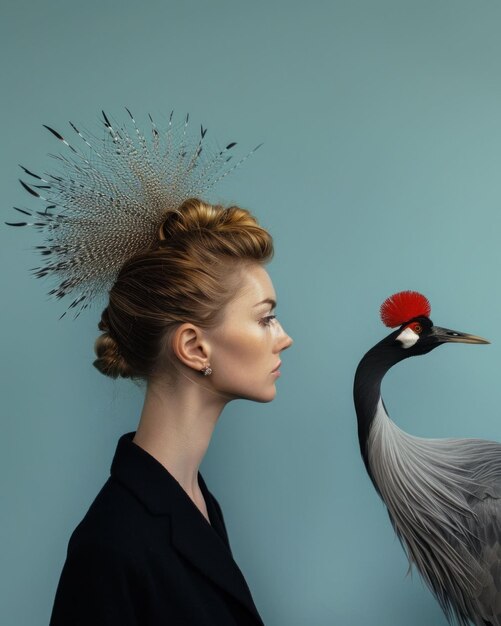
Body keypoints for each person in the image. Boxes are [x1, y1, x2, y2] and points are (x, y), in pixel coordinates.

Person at [48, 197, 293, 625]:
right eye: (265, 318)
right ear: (195, 347)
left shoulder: (196, 501)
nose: (283, 337)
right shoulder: (111, 545)